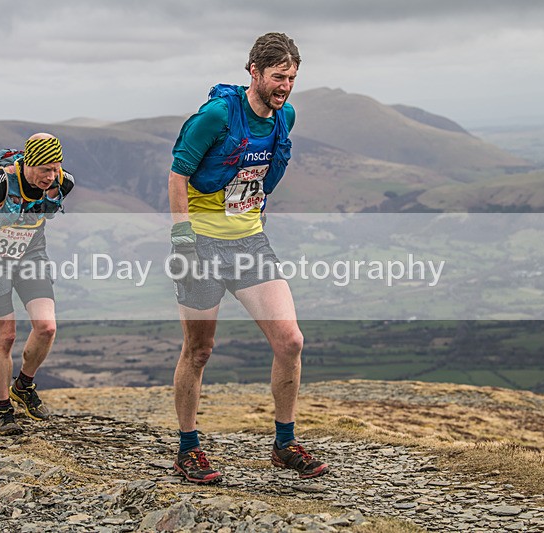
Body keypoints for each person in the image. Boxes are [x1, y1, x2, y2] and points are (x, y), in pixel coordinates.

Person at [167, 32, 328, 483]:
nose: (286, 86)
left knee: (290, 341)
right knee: (198, 350)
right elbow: (178, 173)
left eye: (293, 77)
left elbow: (258, 175)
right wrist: (183, 238)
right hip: (200, 245)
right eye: (279, 76)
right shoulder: (216, 116)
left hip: (250, 244)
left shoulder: (285, 115)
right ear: (254, 72)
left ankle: (284, 442)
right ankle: (188, 448)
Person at [0, 133, 74, 436]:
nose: (51, 177)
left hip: (32, 254)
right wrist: (2, 225)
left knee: (47, 327)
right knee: (6, 337)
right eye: (45, 170)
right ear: (28, 164)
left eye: (56, 169)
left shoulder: (63, 182)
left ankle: (23, 386)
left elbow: (52, 206)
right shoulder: (1, 181)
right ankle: (4, 412)